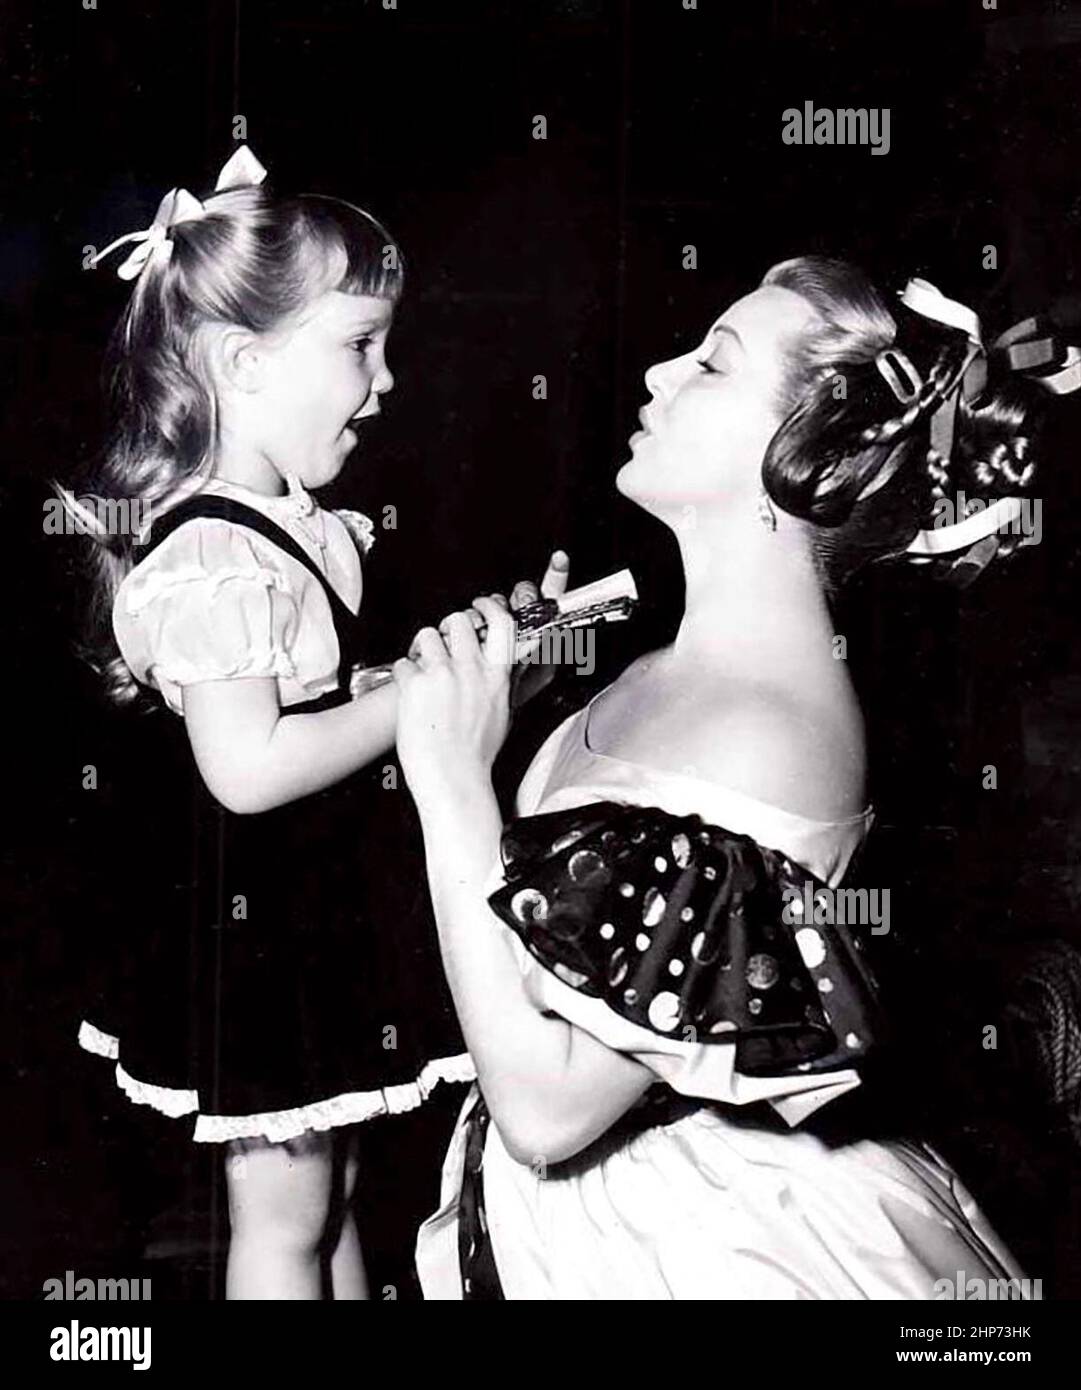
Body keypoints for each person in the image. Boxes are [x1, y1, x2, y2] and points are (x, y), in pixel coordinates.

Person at [393, 256, 1080, 1298]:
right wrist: (504, 702)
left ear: (809, 450)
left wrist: (449, 780)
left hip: (706, 1243)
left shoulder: (773, 731)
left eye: (710, 364)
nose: (659, 375)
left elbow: (548, 1109)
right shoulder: (675, 665)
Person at [64, 144, 565, 1299]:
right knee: (284, 1219)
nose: (386, 379)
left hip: (311, 929)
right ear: (243, 365)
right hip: (263, 948)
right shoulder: (213, 551)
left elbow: (325, 696)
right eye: (358, 346)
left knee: (330, 1198)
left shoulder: (283, 519)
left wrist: (483, 664)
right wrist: (417, 697)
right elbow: (247, 768)